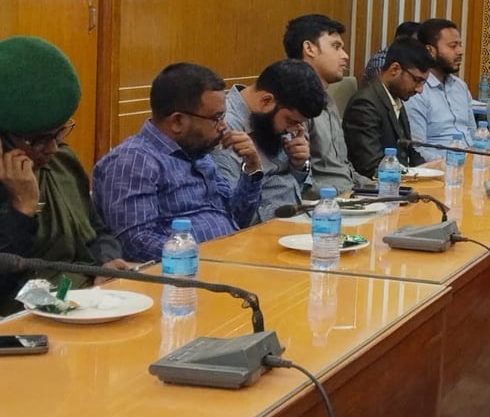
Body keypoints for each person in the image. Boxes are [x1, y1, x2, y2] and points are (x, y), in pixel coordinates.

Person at [0, 37, 127, 314]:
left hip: (89, 300)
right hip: (24, 317)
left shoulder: (63, 162)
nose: (53, 148)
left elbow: (97, 231)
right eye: (38, 140)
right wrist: (22, 210)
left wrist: (106, 261)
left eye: (58, 133)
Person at [93, 63, 264, 262]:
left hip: (229, 261)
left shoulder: (198, 153)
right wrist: (207, 258)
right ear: (177, 121)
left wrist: (252, 170)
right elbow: (135, 243)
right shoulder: (133, 161)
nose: (223, 127)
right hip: (184, 273)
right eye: (216, 118)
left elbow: (236, 219)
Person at [212, 59, 327, 224]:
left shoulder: (273, 118)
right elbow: (233, 213)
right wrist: (253, 170)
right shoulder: (224, 128)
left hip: (295, 219)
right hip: (260, 230)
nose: (292, 130)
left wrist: (299, 165)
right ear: (266, 101)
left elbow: (298, 188)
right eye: (291, 121)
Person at [283, 13, 366, 194]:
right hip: (325, 203)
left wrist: (376, 187)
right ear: (309, 48)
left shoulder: (327, 99)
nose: (345, 56)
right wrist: (350, 195)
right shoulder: (294, 103)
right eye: (336, 46)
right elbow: (299, 181)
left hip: (348, 195)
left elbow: (344, 169)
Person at [343, 37, 430, 177]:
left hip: (398, 181)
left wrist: (431, 169)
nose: (420, 90)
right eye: (417, 80)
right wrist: (413, 174)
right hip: (379, 185)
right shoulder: (364, 104)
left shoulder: (395, 97)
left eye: (423, 82)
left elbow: (409, 152)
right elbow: (371, 166)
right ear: (395, 69)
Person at [405, 18, 477, 162]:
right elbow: (418, 150)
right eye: (453, 46)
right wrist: (453, 163)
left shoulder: (460, 87)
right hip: (440, 168)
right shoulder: (417, 91)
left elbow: (474, 136)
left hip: (472, 164)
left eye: (460, 45)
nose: (460, 52)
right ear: (430, 51)